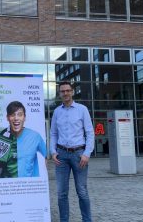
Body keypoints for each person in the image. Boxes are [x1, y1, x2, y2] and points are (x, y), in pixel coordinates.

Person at [50, 81, 95, 222]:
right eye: (62, 91)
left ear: (72, 91)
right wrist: (53, 151)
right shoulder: (57, 111)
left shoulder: (82, 109)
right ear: (59, 94)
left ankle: (87, 220)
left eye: (68, 90)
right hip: (61, 156)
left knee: (82, 191)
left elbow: (90, 132)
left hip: (79, 155)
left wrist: (87, 153)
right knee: (61, 193)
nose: (65, 93)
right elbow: (53, 134)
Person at [0, 101, 47, 178]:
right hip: (7, 186)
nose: (16, 118)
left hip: (28, 186)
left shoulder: (35, 137)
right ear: (7, 118)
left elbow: (46, 155)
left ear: (24, 117)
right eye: (12, 115)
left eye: (20, 115)